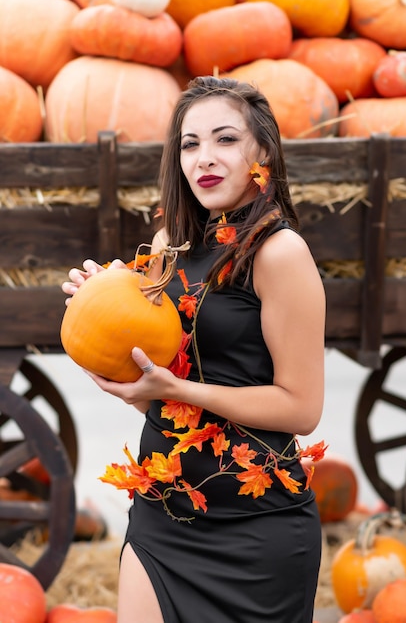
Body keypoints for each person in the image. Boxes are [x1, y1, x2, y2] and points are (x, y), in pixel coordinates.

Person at [62, 76, 326, 623]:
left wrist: (176, 388)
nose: (204, 158)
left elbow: (302, 408)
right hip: (164, 508)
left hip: (256, 527)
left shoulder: (279, 254)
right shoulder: (167, 247)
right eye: (190, 144)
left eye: (225, 140)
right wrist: (100, 308)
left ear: (262, 153)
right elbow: (157, 392)